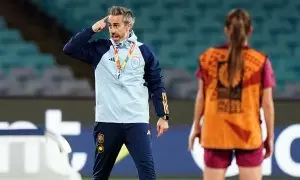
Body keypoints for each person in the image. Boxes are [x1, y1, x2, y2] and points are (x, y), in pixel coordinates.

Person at [63, 6, 169, 180]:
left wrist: (163, 115)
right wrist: (91, 30)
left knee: (148, 175)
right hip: (107, 122)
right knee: (100, 176)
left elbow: (157, 84)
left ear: (128, 26)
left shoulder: (144, 51)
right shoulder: (99, 49)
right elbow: (69, 49)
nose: (112, 30)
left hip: (136, 122)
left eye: (116, 25)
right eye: (110, 25)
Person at [188, 8, 275, 180]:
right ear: (250, 30)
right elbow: (267, 105)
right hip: (248, 133)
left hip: (215, 132)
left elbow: (201, 97)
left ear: (226, 30)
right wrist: (270, 137)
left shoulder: (207, 58)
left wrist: (196, 126)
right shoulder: (261, 61)